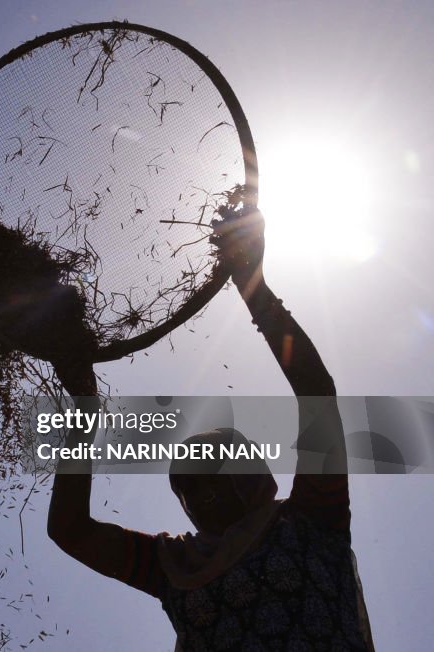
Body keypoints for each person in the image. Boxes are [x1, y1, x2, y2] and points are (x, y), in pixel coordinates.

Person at [47, 208, 375, 651]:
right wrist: (84, 410)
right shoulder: (173, 565)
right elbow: (71, 530)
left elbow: (316, 391)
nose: (203, 494)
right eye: (189, 487)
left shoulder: (312, 516)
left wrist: (253, 286)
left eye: (213, 473)